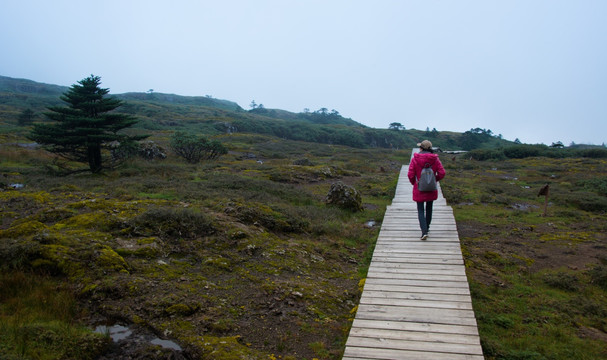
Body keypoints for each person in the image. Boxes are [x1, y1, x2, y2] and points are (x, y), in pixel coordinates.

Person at [408, 140, 446, 240]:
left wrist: (415, 183)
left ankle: (424, 231)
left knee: (420, 210)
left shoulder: (415, 159)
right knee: (429, 208)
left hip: (419, 188)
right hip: (431, 189)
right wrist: (434, 180)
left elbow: (410, 174)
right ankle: (427, 228)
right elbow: (442, 173)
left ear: (421, 148)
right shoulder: (435, 159)